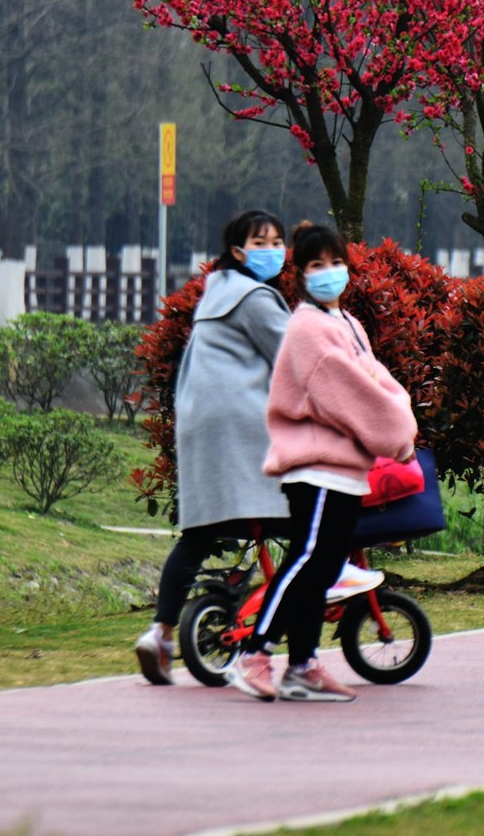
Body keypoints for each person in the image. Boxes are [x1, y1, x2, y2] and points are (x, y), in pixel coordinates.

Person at [132, 211, 379, 685]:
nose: (272, 249)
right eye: (260, 242)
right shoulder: (256, 297)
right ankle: (313, 600)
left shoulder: (216, 293)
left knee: (200, 533)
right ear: (238, 251)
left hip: (202, 427)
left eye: (277, 240)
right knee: (311, 531)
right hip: (242, 424)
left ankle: (160, 633)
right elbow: (299, 360)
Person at [228, 223, 418, 703]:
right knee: (308, 561)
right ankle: (255, 653)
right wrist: (397, 430)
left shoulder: (347, 324)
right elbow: (354, 395)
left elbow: (381, 383)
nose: (328, 273)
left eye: (335, 262)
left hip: (345, 469)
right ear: (300, 276)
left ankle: (303, 665)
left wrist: (397, 419)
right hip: (315, 467)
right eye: (316, 265)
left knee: (323, 568)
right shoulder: (309, 327)